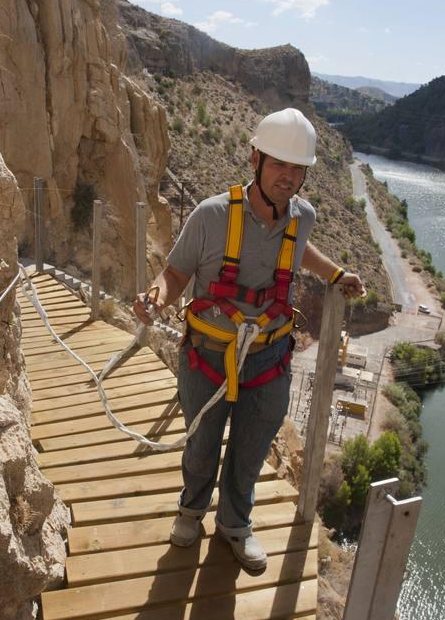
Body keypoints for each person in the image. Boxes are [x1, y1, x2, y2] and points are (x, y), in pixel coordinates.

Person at [134, 107, 364, 572]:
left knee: (251, 448)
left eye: (297, 168)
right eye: (279, 164)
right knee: (201, 444)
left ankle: (235, 525)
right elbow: (177, 271)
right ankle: (191, 512)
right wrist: (157, 297)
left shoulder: (304, 217)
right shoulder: (211, 216)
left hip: (268, 358)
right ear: (255, 159)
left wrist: (337, 273)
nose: (288, 176)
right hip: (208, 356)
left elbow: (302, 249)